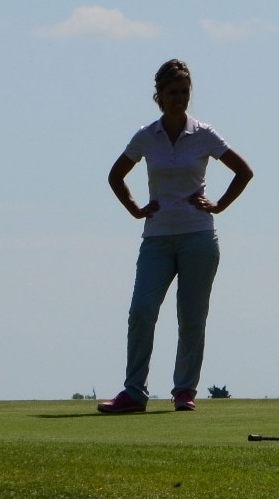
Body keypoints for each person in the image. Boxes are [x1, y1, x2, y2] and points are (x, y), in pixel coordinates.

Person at [99, 60, 253, 414]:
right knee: (142, 310)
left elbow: (244, 171)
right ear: (159, 95)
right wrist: (136, 209)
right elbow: (115, 176)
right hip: (157, 237)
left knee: (191, 316)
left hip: (198, 236)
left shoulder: (204, 134)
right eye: (173, 92)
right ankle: (134, 392)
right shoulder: (145, 136)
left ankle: (184, 390)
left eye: (185, 92)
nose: (180, 99)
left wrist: (219, 205)